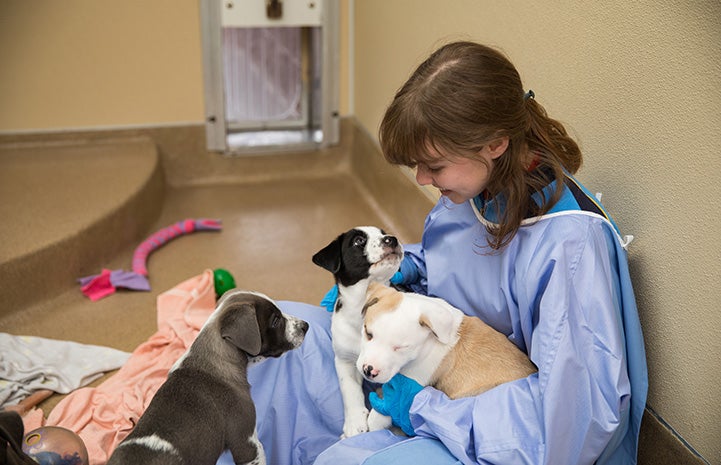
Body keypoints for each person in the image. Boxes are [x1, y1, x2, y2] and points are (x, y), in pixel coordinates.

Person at [217, 41, 648, 465]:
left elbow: (568, 429)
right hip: (422, 363)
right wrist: (394, 277)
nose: (422, 179)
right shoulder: (475, 186)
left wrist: (425, 408)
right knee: (270, 348)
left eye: (434, 166)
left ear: (495, 143)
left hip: (492, 422)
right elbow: (453, 261)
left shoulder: (570, 249)